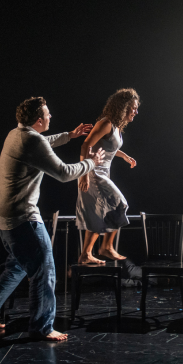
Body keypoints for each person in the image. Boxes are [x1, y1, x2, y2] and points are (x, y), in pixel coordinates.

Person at [0, 96, 104, 341]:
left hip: (3, 216)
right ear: (38, 120)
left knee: (17, 266)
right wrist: (91, 162)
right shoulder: (31, 141)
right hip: (22, 217)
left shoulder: (16, 134)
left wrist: (70, 135)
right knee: (45, 269)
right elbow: (64, 173)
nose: (50, 117)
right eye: (47, 115)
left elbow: (45, 141)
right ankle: (42, 326)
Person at [76, 88, 140, 264]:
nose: (136, 112)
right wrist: (83, 174)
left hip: (103, 173)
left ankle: (86, 254)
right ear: (123, 106)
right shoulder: (106, 123)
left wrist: (124, 156)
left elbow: (110, 147)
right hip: (92, 172)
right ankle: (106, 247)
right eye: (133, 108)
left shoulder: (117, 127)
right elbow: (85, 146)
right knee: (120, 203)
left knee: (99, 213)